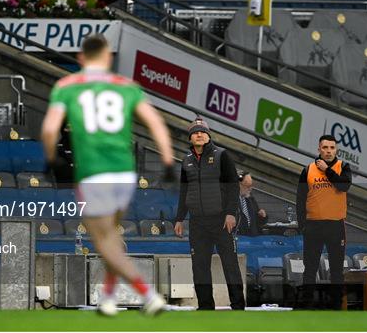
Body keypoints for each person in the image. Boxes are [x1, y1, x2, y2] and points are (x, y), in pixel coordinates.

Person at [41, 35, 174, 316]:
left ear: (80, 58)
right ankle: (109, 298)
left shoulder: (67, 86)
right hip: (125, 172)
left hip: (93, 172)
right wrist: (167, 161)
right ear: (108, 57)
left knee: (101, 239)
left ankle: (148, 294)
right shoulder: (127, 87)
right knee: (111, 236)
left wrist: (52, 158)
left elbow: (51, 129)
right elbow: (156, 123)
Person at [173, 117, 245, 310]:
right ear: (190, 138)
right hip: (197, 222)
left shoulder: (222, 155)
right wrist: (179, 218)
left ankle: (238, 305)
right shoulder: (186, 160)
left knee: (230, 264)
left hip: (222, 220)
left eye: (202, 132)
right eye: (195, 132)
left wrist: (231, 213)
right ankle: (205, 307)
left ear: (208, 136)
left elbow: (233, 187)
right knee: (199, 266)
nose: (199, 134)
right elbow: (184, 191)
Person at [296, 134, 351, 310]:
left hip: (336, 226)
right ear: (319, 149)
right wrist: (301, 225)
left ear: (336, 150)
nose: (328, 151)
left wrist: (327, 170)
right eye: (325, 147)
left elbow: (344, 186)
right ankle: (307, 306)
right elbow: (300, 199)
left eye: (332, 148)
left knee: (336, 269)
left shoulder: (343, 166)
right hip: (313, 225)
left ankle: (336, 307)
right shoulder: (308, 169)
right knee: (310, 268)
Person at [236, 171, 268, 236]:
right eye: (248, 186)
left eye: (251, 185)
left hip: (252, 239)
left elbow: (257, 222)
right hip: (239, 239)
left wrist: (262, 217)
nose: (250, 189)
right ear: (238, 184)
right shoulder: (230, 201)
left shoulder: (250, 198)